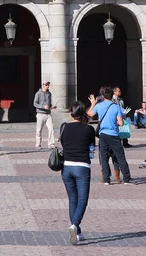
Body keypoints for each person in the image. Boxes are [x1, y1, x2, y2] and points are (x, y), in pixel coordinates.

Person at [60, 100, 95, 246]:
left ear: (71, 113)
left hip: (66, 166)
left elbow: (63, 144)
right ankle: (74, 225)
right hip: (82, 166)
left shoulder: (64, 127)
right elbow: (92, 149)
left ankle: (78, 232)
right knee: (82, 200)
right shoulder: (89, 129)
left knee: (72, 200)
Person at [87, 86, 135, 185]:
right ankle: (126, 178)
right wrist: (114, 122)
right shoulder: (116, 106)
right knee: (120, 157)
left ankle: (106, 179)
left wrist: (93, 104)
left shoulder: (99, 106)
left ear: (103, 96)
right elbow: (121, 123)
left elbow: (89, 114)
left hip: (103, 135)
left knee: (104, 158)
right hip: (114, 134)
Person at [33, 81, 56, 149]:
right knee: (39, 130)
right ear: (43, 85)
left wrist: (52, 107)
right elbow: (35, 104)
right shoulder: (38, 93)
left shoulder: (49, 94)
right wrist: (43, 106)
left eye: (48, 85)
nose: (47, 86)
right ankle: (38, 144)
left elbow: (49, 104)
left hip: (48, 114)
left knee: (51, 128)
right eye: (46, 85)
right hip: (40, 114)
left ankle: (51, 144)